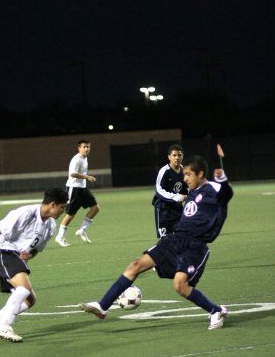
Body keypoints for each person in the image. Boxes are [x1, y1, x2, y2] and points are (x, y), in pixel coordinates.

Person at [79, 156, 233, 330]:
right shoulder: (192, 192)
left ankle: (215, 311)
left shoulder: (213, 188)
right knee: (135, 265)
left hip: (195, 245)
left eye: (189, 174)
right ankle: (103, 306)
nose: (185, 178)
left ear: (201, 174)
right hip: (175, 239)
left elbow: (227, 194)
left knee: (180, 285)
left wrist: (222, 179)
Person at [0, 187, 69, 342]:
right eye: (62, 207)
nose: (63, 211)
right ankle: (4, 326)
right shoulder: (26, 213)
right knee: (23, 289)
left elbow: (36, 249)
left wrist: (31, 254)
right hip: (3, 250)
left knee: (30, 300)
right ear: (52, 205)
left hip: (16, 257)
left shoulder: (51, 226)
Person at [55, 140, 99, 246]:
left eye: (88, 147)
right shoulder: (76, 159)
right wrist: (87, 176)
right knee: (70, 214)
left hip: (83, 189)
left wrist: (85, 178)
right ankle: (60, 237)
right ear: (79, 148)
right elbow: (72, 173)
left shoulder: (85, 158)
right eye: (84, 147)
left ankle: (82, 230)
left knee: (95, 208)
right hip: (74, 189)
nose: (87, 149)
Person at [152, 144, 188, 237]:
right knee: (166, 240)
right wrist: (177, 197)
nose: (177, 158)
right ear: (169, 157)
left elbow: (187, 187)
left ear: (182, 156)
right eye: (174, 155)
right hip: (164, 209)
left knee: (181, 236)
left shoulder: (184, 171)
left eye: (179, 155)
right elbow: (159, 190)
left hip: (177, 209)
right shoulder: (164, 171)